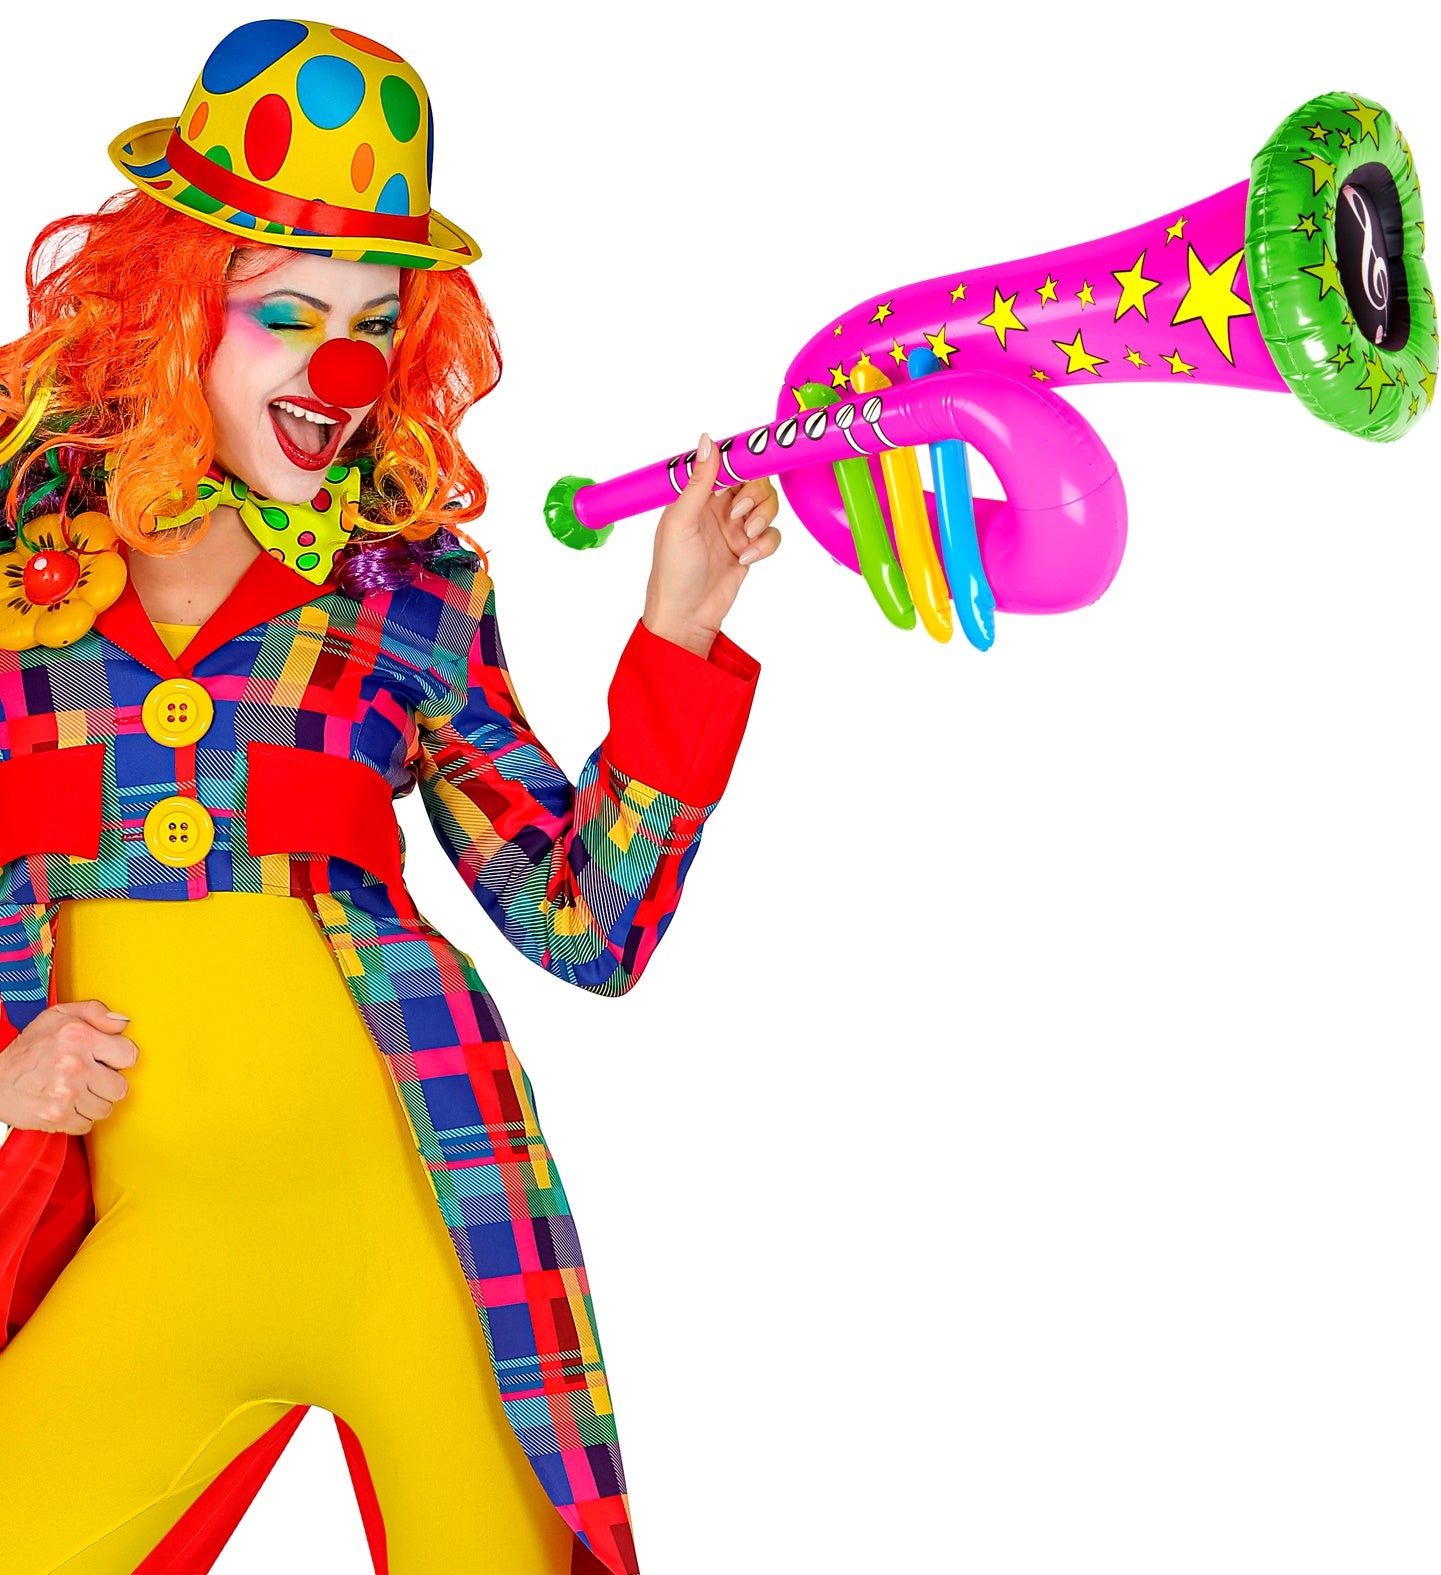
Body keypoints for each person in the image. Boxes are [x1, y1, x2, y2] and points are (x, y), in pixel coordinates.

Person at [0, 18, 778, 1575]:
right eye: (288, 314)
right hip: (160, 1252)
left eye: (373, 321)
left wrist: (678, 636)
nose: (340, 370)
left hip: (427, 1230)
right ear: (173, 310)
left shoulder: (407, 587)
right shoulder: (21, 556)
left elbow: (582, 923)